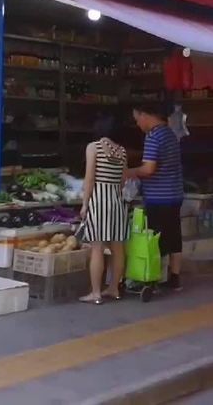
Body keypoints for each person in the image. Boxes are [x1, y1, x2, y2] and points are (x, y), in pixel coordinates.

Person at [126, 103, 184, 291]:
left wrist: (127, 173)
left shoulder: (153, 136)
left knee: (154, 240)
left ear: (145, 115)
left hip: (159, 197)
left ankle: (151, 280)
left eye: (137, 119)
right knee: (173, 237)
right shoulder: (170, 134)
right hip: (175, 194)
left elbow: (148, 169)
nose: (137, 124)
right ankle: (174, 278)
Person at [78, 123, 128, 304]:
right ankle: (114, 288)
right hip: (117, 201)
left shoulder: (94, 147)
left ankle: (96, 293)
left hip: (99, 201)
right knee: (118, 248)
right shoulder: (122, 151)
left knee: (97, 247)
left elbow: (90, 178)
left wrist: (85, 204)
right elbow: (123, 180)